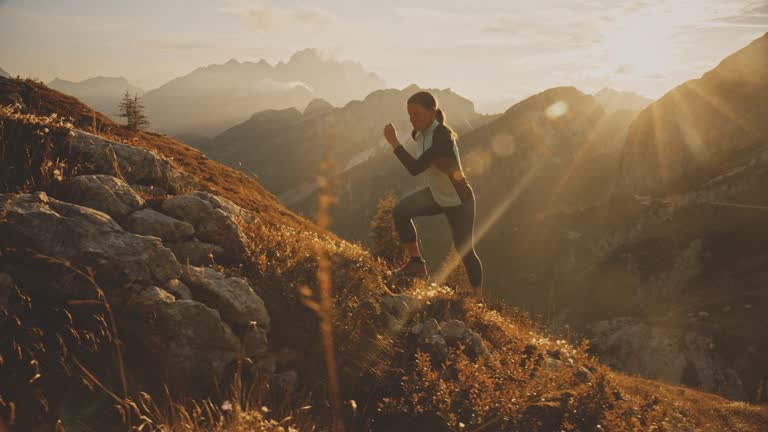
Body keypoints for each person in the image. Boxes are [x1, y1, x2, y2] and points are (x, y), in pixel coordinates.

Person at [382, 91, 484, 301]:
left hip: (459, 201)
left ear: (432, 112)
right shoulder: (418, 132)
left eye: (417, 114)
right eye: (410, 115)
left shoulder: (442, 137)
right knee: (401, 210)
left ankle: (479, 299)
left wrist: (394, 143)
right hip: (437, 195)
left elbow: (415, 168)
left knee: (464, 250)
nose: (413, 120)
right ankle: (416, 263)